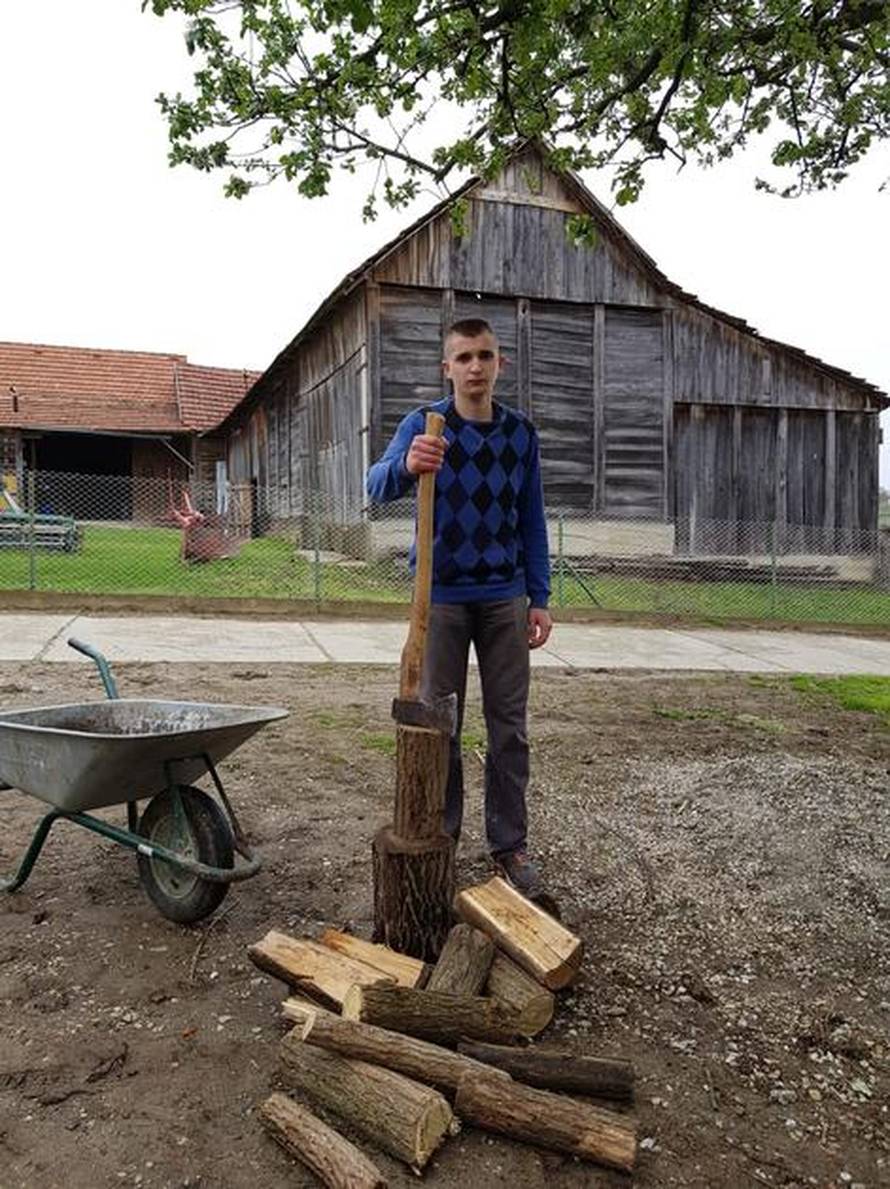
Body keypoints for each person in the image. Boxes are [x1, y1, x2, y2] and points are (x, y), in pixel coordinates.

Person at [366, 317, 552, 894]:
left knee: (509, 729)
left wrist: (539, 597)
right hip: (439, 600)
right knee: (437, 728)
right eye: (464, 357)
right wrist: (407, 464)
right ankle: (439, 837)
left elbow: (532, 520)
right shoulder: (426, 426)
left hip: (504, 599)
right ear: (447, 367)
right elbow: (374, 486)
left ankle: (509, 845)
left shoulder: (521, 436)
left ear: (501, 365)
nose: (476, 366)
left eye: (486, 356)